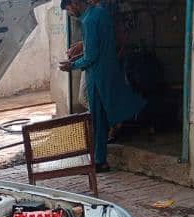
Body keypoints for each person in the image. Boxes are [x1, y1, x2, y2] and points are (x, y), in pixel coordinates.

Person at [59, 0, 145, 172]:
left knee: (98, 120)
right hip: (108, 70)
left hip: (97, 76)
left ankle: (99, 161)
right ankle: (99, 158)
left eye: (68, 10)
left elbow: (91, 55)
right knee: (105, 116)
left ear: (74, 3)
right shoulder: (99, 13)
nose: (69, 14)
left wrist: (71, 66)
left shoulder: (89, 20)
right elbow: (98, 47)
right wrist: (79, 56)